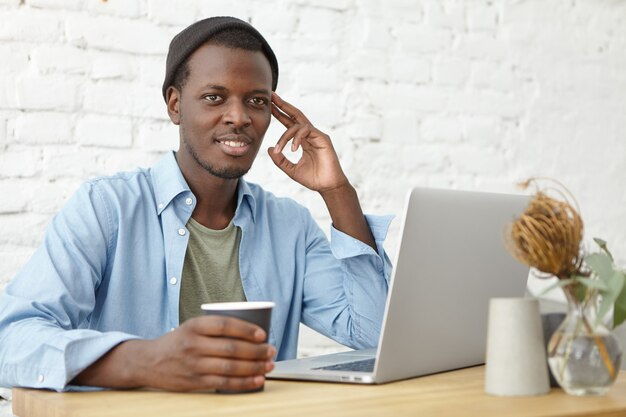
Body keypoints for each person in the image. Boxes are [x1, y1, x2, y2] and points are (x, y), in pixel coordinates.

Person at [0, 16, 392, 393]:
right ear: (175, 105)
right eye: (213, 97)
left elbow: (374, 338)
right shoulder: (107, 208)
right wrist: (147, 361)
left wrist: (338, 192)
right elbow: (11, 342)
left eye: (256, 101)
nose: (238, 117)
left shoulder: (291, 226)